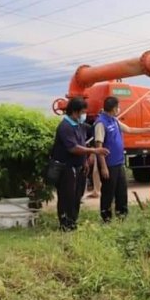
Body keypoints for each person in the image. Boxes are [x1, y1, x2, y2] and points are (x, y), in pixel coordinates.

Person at [95, 96, 150, 223]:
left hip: (119, 163)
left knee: (121, 192)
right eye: (117, 107)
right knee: (108, 193)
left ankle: (122, 216)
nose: (119, 109)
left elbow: (130, 129)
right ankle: (106, 219)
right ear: (113, 108)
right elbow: (99, 146)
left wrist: (149, 130)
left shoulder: (114, 120)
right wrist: (103, 167)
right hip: (109, 165)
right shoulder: (101, 123)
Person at [51, 97, 109, 231]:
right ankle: (65, 224)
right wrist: (95, 150)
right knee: (67, 197)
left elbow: (93, 131)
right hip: (66, 168)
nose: (84, 115)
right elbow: (73, 148)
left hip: (80, 167)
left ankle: (73, 222)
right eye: (83, 112)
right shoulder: (65, 127)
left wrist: (103, 118)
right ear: (75, 112)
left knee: (77, 196)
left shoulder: (79, 125)